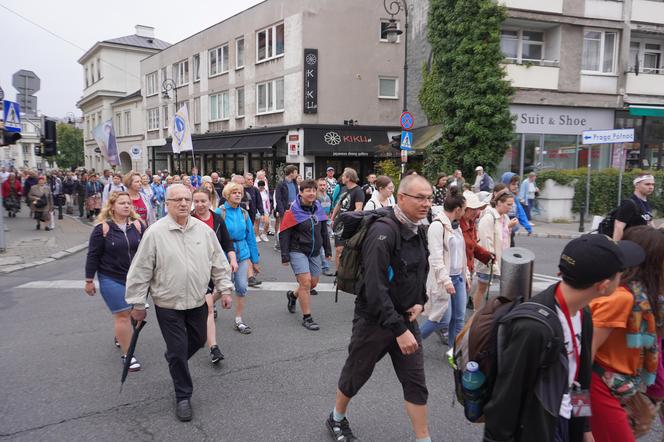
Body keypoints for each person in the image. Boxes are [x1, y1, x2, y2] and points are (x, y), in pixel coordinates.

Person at [484, 234, 645, 442]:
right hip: (539, 427)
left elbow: (580, 381)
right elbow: (506, 399)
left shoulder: (583, 314)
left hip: (566, 418)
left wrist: (585, 427)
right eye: (619, 273)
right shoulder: (534, 328)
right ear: (603, 285)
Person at [327, 175, 432, 442]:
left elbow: (422, 268)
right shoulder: (383, 231)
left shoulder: (418, 228)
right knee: (357, 372)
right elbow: (374, 286)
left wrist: (421, 300)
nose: (426, 203)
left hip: (405, 319)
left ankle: (424, 438)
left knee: (416, 382)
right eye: (420, 197)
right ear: (401, 198)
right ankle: (336, 418)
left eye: (429, 198)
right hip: (374, 319)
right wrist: (398, 329)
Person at [125, 184, 234, 422]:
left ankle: (175, 358)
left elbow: (218, 260)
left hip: (197, 299)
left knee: (199, 340)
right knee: (176, 350)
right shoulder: (155, 232)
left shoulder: (203, 231)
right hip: (168, 303)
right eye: (177, 200)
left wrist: (225, 289)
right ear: (167, 204)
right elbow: (141, 270)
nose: (184, 203)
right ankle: (183, 396)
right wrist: (137, 303)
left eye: (187, 199)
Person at [588, 226, 663, 442]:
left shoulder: (642, 298)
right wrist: (579, 407)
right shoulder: (622, 298)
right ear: (650, 262)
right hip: (599, 386)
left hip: (615, 386)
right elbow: (584, 353)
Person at [84, 191, 146, 372]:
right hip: (111, 278)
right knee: (123, 315)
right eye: (121, 203)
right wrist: (89, 280)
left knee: (137, 316)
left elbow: (148, 251)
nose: (126, 206)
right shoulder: (102, 229)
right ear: (112, 207)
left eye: (128, 203)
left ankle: (120, 335)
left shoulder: (139, 226)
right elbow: (93, 255)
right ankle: (128, 355)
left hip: (135, 280)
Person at [191, 188, 238, 365]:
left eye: (203, 201)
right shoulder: (188, 220)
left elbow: (227, 242)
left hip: (212, 268)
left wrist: (232, 258)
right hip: (192, 270)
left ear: (210, 200)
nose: (200, 205)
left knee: (208, 307)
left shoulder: (217, 219)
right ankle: (209, 345)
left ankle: (213, 348)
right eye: (196, 201)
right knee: (206, 308)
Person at [419, 189, 467, 359]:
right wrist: (446, 281)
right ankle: (413, 339)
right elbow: (436, 257)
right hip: (443, 280)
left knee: (459, 318)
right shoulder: (437, 226)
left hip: (458, 278)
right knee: (442, 319)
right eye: (464, 209)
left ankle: (454, 352)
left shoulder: (456, 226)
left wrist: (465, 274)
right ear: (458, 209)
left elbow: (461, 253)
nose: (465, 212)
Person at [280, 179, 332, 331]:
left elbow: (324, 231)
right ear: (301, 193)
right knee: (305, 283)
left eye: (313, 190)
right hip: (297, 250)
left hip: (314, 251)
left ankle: (293, 296)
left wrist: (328, 250)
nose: (311, 193)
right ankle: (307, 318)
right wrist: (285, 255)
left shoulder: (318, 208)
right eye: (308, 190)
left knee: (313, 283)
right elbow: (284, 233)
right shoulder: (292, 211)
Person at [217, 183, 260, 335]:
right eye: (234, 192)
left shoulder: (244, 213)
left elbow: (250, 237)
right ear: (227, 195)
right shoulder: (219, 212)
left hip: (242, 254)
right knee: (223, 287)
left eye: (239, 192)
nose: (237, 195)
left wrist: (255, 260)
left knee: (241, 286)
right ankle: (209, 307)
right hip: (223, 254)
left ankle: (239, 320)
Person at [473, 187, 517, 307]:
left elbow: (502, 237)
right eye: (508, 204)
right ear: (498, 202)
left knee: (501, 289)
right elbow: (486, 242)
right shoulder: (488, 218)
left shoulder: (504, 217)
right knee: (482, 289)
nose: (511, 207)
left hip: (500, 259)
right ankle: (476, 314)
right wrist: (493, 261)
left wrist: (509, 227)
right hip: (489, 261)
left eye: (512, 205)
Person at [460, 193, 494, 312]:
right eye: (473, 209)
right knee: (450, 316)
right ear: (464, 209)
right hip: (458, 273)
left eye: (477, 209)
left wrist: (486, 255)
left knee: (456, 315)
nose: (476, 212)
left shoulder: (471, 223)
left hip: (468, 271)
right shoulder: (457, 225)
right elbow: (467, 245)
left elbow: (473, 246)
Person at [330, 168, 365, 269]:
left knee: (345, 250)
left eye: (344, 176)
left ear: (348, 178)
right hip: (340, 224)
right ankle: (338, 275)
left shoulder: (358, 191)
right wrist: (332, 218)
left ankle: (346, 275)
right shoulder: (344, 189)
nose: (342, 178)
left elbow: (358, 209)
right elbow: (338, 204)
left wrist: (347, 219)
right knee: (338, 250)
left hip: (349, 225)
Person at [612, 174, 655, 241]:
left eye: (653, 184)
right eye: (647, 184)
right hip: (629, 245)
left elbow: (650, 223)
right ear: (636, 185)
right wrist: (616, 247)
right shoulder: (629, 203)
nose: (651, 187)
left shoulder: (647, 203)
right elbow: (618, 227)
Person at [274, 165, 299, 251]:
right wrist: (282, 211)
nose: (297, 174)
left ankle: (290, 244)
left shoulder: (295, 183)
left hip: (294, 208)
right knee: (283, 227)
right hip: (284, 208)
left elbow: (297, 196)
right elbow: (278, 199)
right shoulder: (281, 184)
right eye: (296, 172)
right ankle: (278, 244)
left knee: (292, 227)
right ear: (291, 173)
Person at [503, 173, 532, 246]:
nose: (516, 186)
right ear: (506, 184)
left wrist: (528, 227)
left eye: (517, 184)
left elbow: (520, 212)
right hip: (502, 231)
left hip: (511, 231)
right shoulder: (500, 197)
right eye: (513, 184)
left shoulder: (514, 197)